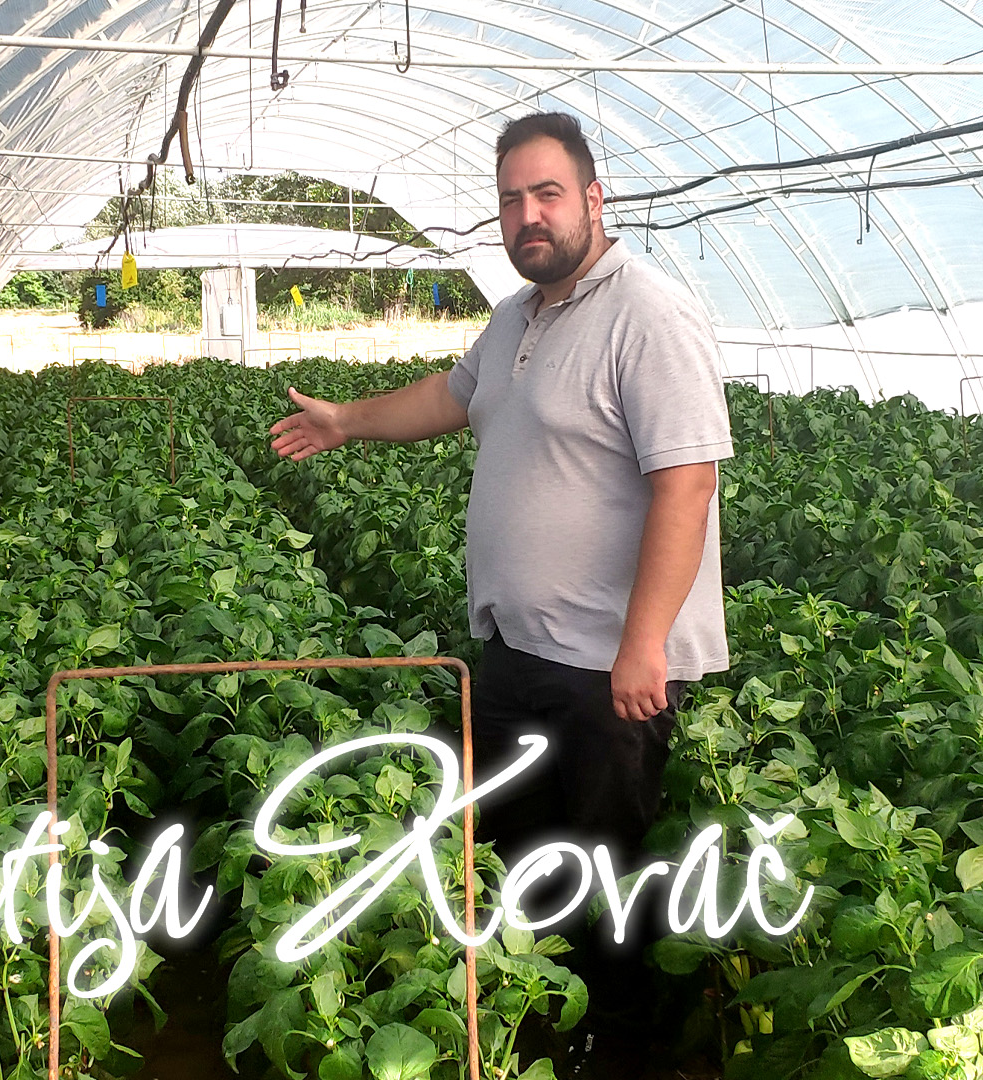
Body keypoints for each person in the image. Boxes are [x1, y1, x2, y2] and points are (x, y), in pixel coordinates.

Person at [268, 112, 732, 1074]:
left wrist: (644, 644)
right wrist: (347, 420)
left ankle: (619, 1051)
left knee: (605, 875)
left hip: (605, 674)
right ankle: (541, 1034)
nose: (529, 216)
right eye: (512, 199)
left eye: (548, 193)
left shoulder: (648, 314)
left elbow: (687, 484)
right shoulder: (516, 315)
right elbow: (451, 396)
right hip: (516, 655)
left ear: (594, 198)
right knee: (521, 864)